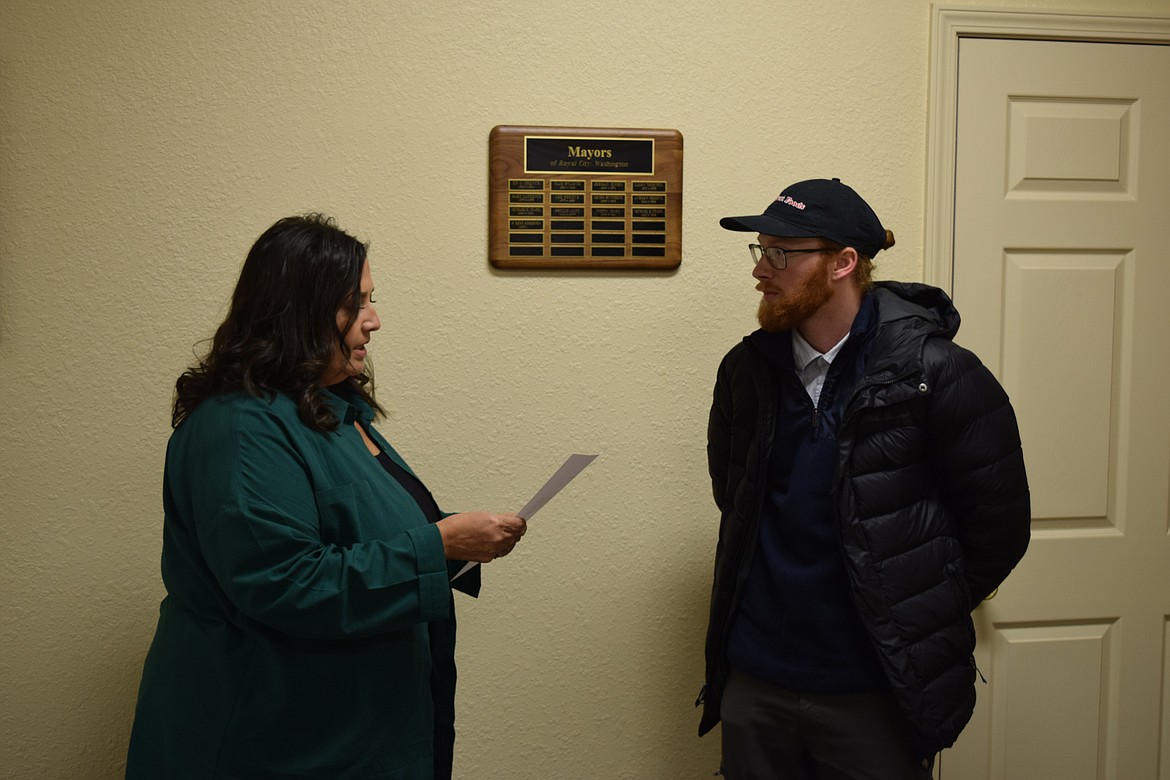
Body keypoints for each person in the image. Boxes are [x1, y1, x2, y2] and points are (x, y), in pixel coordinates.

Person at [126, 214, 527, 779]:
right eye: (354, 304)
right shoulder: (241, 428)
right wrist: (437, 544)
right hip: (273, 741)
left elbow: (358, 526)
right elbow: (284, 579)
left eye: (370, 299)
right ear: (296, 314)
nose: (375, 320)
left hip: (353, 731)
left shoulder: (331, 412)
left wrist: (458, 543)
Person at [697, 178, 1031, 778]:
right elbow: (736, 496)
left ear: (843, 263)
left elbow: (999, 529)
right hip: (757, 678)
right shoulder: (747, 369)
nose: (761, 272)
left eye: (781, 254)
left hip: (876, 686)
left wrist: (916, 610)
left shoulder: (938, 373)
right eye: (760, 252)